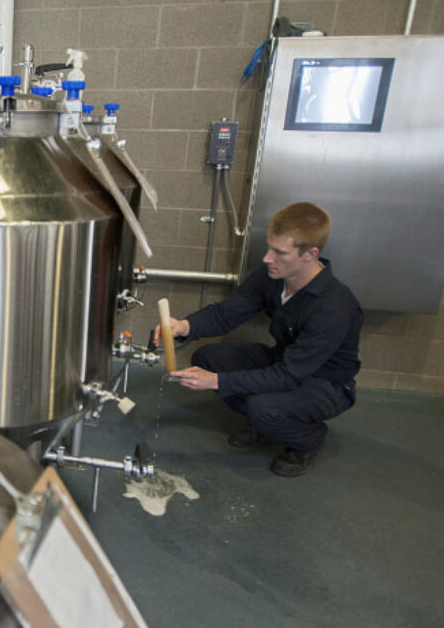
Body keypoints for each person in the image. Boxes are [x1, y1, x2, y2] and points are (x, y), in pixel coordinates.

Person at [153, 202, 362, 477]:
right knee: (208, 358)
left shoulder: (333, 308)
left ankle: (307, 439)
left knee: (261, 407)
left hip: (326, 383)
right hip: (285, 361)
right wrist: (184, 326)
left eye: (279, 252)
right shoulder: (273, 277)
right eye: (269, 247)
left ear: (311, 254)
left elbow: (288, 375)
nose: (267, 258)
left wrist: (215, 381)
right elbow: (227, 313)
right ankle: (263, 422)